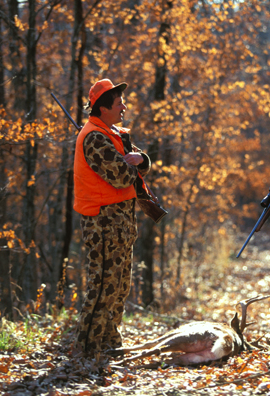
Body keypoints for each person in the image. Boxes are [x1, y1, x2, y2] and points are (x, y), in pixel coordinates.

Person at [72, 78, 151, 355]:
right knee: (102, 287)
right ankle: (88, 348)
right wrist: (132, 164)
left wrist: (139, 160)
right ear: (103, 108)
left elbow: (139, 161)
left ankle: (109, 344)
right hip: (103, 224)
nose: (124, 107)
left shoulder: (112, 132)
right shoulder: (94, 137)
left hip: (119, 224)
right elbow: (120, 176)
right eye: (119, 103)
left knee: (119, 288)